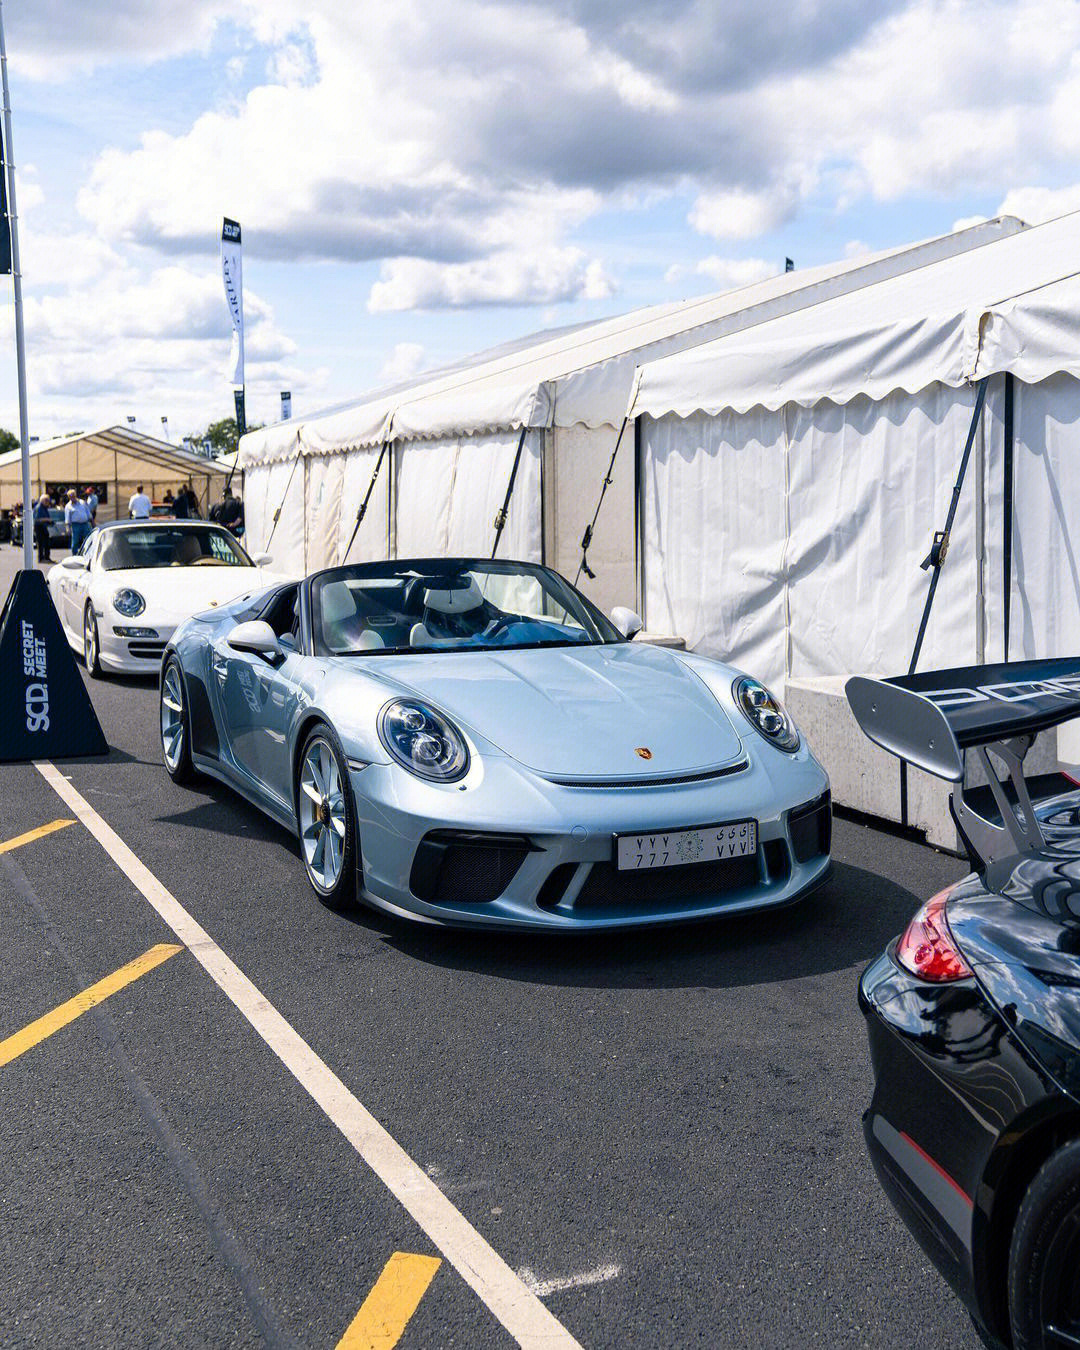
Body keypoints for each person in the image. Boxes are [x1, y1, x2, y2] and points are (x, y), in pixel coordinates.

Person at [64, 488, 93, 553]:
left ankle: (89, 553)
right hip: (75, 525)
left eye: (73, 496)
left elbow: (88, 513)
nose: (72, 497)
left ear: (75, 495)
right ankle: (74, 555)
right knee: (75, 542)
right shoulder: (68, 506)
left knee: (89, 539)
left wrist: (92, 522)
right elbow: (67, 519)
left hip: (85, 524)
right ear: (69, 497)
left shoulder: (82, 502)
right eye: (71, 496)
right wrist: (67, 528)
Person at [33, 493, 52, 563]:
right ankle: (41, 558)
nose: (48, 502)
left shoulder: (44, 508)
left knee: (47, 542)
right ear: (43, 500)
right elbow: (37, 519)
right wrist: (47, 519)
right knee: (40, 543)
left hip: (43, 526)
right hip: (39, 527)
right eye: (47, 501)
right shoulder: (39, 508)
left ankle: (46, 557)